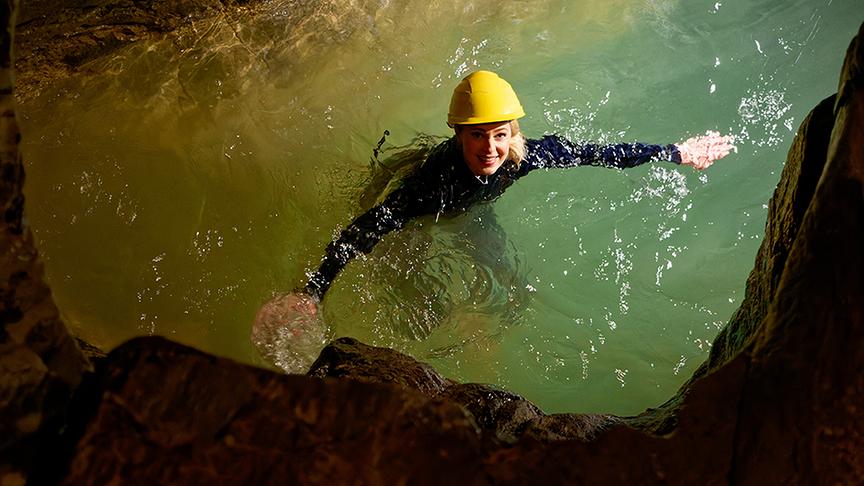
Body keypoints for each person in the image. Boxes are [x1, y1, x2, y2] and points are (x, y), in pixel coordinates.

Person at [252, 70, 735, 367]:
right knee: (414, 284)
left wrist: (673, 151)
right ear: (459, 135)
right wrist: (311, 291)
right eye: (478, 136)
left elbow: (597, 152)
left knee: (512, 284)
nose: (490, 148)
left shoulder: (524, 156)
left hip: (472, 213)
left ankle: (480, 324)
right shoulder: (431, 186)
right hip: (432, 213)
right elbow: (366, 229)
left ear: (513, 132)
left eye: (499, 135)